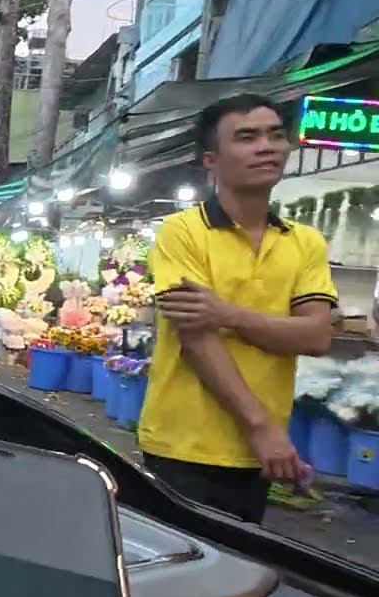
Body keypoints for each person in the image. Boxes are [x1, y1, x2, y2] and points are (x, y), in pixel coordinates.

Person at [140, 93, 337, 524]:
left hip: (257, 456)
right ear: (211, 159)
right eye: (246, 137)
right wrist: (261, 427)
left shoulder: (305, 243)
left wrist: (227, 314)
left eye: (275, 135)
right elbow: (196, 337)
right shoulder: (182, 232)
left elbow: (317, 336)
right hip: (183, 445)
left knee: (237, 576)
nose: (266, 147)